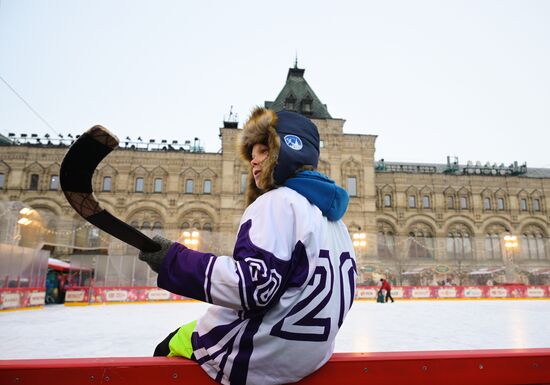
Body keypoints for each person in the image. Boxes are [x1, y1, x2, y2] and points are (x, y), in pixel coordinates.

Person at [138, 107, 357, 385]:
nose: (254, 163)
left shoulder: (278, 201)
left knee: (169, 346)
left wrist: (173, 259)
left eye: (264, 151)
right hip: (311, 356)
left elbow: (253, 288)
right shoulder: (336, 223)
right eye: (251, 156)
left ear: (289, 150)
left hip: (259, 353)